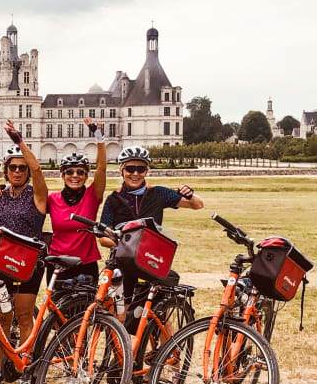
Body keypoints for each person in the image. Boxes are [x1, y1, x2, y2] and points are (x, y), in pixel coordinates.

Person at [0, 120, 48, 384]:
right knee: (2, 317)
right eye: (13, 167)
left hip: (29, 262)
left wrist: (20, 142)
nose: (18, 171)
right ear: (6, 171)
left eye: (22, 167)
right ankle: (0, 367)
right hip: (2, 261)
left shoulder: (37, 195)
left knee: (22, 315)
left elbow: (38, 168)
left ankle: (26, 368)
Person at [100, 145, 204, 309]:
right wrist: (126, 243)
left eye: (140, 169)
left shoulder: (158, 193)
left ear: (146, 171)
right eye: (130, 168)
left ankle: (168, 335)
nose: (135, 174)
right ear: (122, 170)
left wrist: (190, 194)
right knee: (119, 313)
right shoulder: (113, 199)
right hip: (123, 263)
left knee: (156, 314)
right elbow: (103, 237)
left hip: (151, 262)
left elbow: (197, 205)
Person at [46, 119, 107, 285]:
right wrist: (7, 187)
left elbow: (101, 168)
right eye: (69, 172)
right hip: (58, 263)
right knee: (56, 310)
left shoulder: (92, 196)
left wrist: (99, 138)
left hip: (85, 263)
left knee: (86, 310)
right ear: (62, 175)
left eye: (80, 172)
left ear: (86, 176)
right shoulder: (52, 199)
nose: (75, 175)